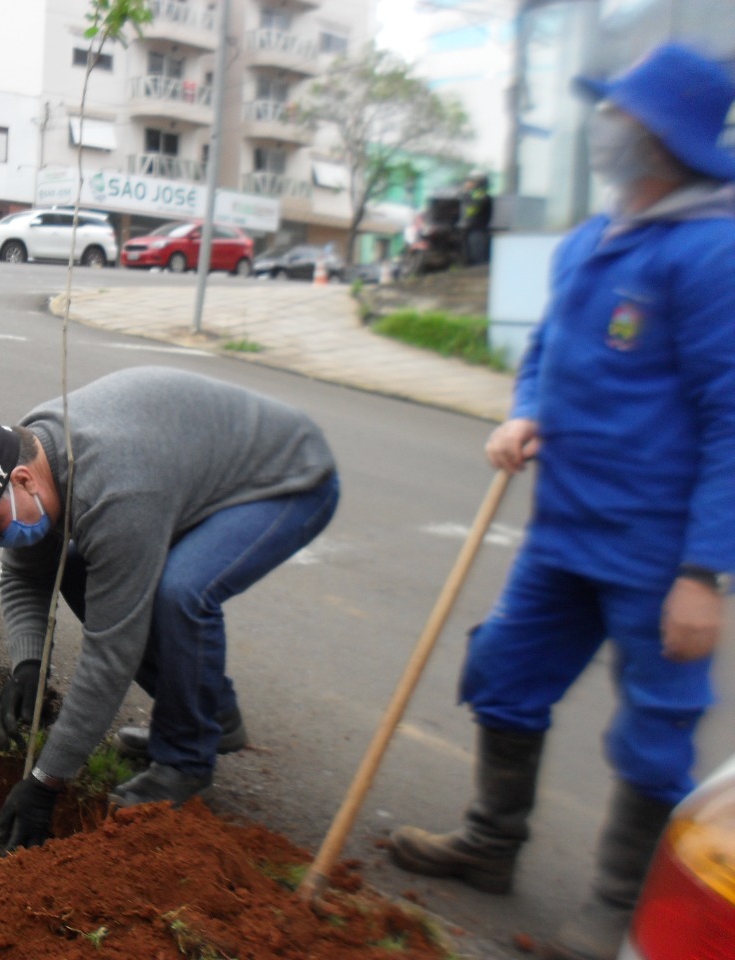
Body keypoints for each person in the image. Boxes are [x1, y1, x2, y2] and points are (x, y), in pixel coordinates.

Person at [387, 44, 735, 960]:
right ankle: (492, 842)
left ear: (664, 137)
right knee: (503, 670)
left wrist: (705, 573)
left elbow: (731, 419)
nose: (605, 128)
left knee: (656, 730)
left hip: (658, 551)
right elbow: (543, 351)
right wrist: (526, 411)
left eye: (623, 115)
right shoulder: (592, 238)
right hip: (562, 531)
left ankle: (619, 904)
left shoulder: (713, 250)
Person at [0, 367, 340, 850]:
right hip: (184, 473)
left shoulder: (115, 492)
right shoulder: (29, 456)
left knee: (181, 593)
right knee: (81, 565)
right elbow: (24, 575)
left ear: (22, 479)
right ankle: (210, 715)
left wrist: (45, 781)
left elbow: (111, 654)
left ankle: (186, 757)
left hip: (287, 479)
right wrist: (28, 665)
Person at [459, 171, 492, 265]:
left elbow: (471, 210)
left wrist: (465, 194)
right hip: (471, 231)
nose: (468, 183)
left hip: (477, 232)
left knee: (477, 259)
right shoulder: (475, 195)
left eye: (471, 181)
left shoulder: (482, 196)